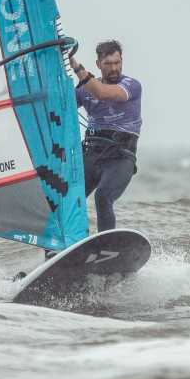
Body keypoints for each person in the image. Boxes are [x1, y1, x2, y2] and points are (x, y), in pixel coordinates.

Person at [70, 40, 142, 234]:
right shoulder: (84, 90)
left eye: (117, 63)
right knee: (69, 198)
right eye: (108, 64)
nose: (114, 68)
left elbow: (102, 93)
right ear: (98, 65)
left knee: (103, 197)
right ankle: (62, 248)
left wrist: (76, 67)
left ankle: (105, 247)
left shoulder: (131, 86)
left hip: (120, 157)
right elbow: (61, 106)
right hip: (92, 153)